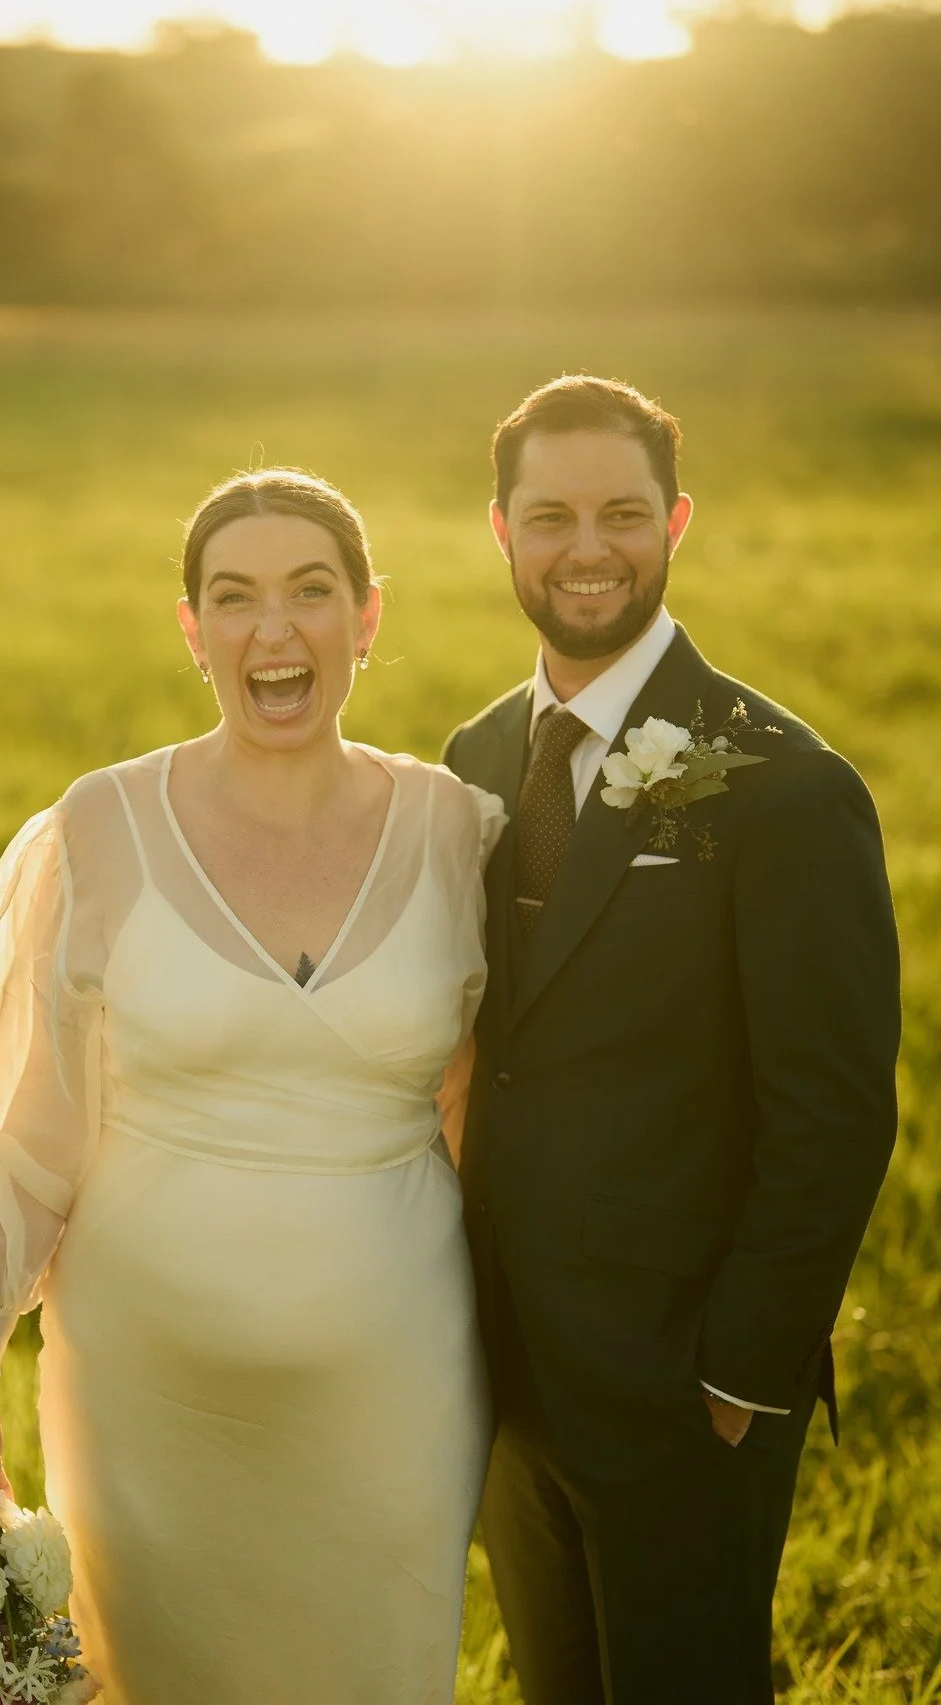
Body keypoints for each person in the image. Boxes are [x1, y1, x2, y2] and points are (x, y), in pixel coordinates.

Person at [0, 468, 506, 1705]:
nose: (273, 630)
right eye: (234, 599)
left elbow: (487, 1109)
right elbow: (36, 1127)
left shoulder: (458, 830)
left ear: (368, 616)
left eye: (311, 592)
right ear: (193, 630)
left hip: (391, 1385)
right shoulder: (104, 826)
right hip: (145, 1395)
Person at [443, 375, 901, 1705]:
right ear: (501, 531)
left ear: (676, 522)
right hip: (510, 1382)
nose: (587, 547)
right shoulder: (472, 756)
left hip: (684, 1388)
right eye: (551, 515)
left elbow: (831, 1114)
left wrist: (742, 1376)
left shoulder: (780, 782)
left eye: (621, 513)